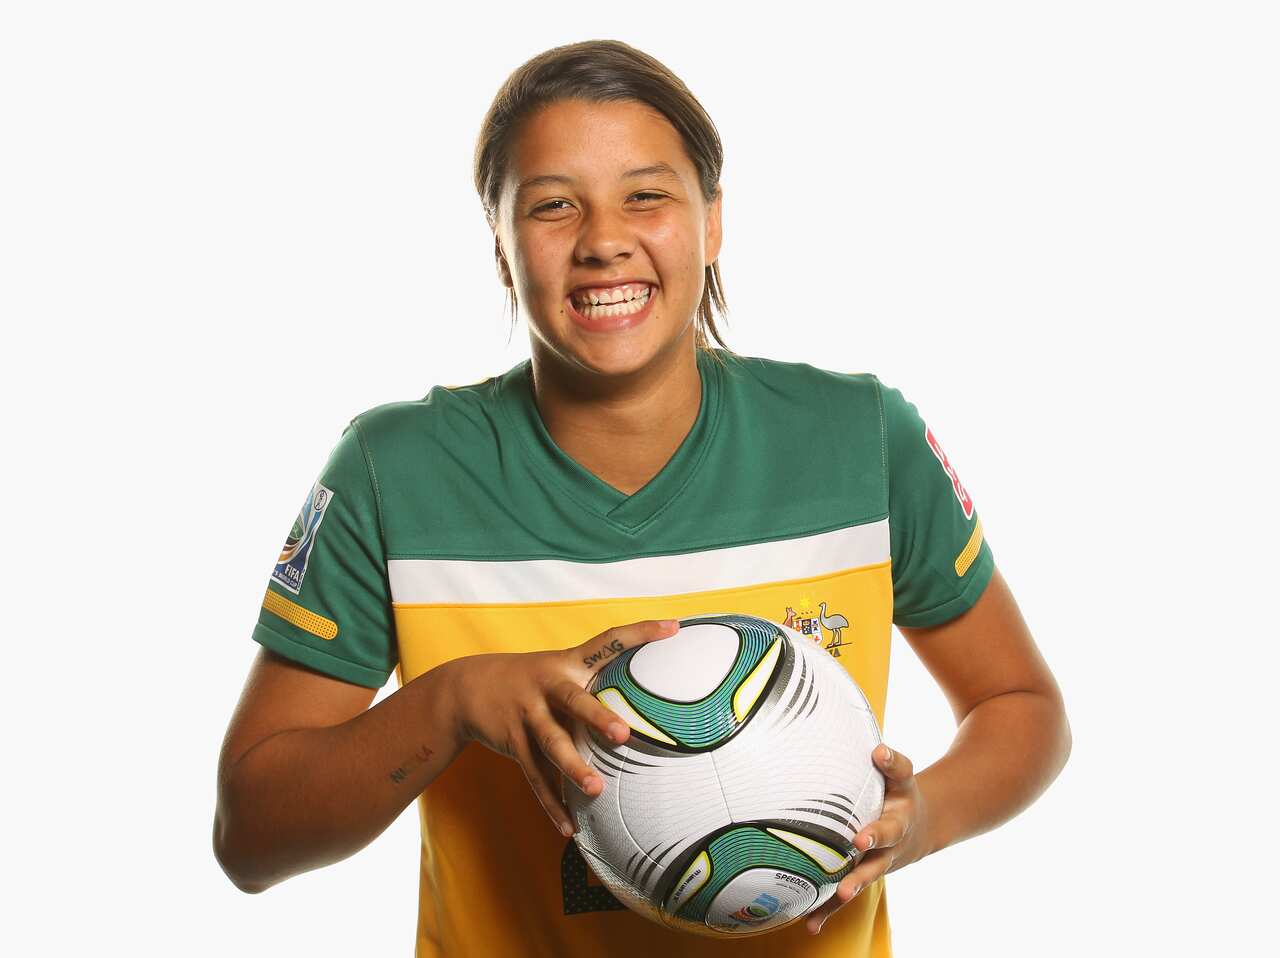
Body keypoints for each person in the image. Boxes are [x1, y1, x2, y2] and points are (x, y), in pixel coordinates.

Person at [214, 39, 1071, 958]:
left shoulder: (858, 438)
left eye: (647, 195)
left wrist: (924, 816)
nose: (603, 238)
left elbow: (1024, 705)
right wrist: (454, 702)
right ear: (501, 247)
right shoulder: (396, 470)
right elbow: (251, 839)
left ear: (711, 222)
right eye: (551, 206)